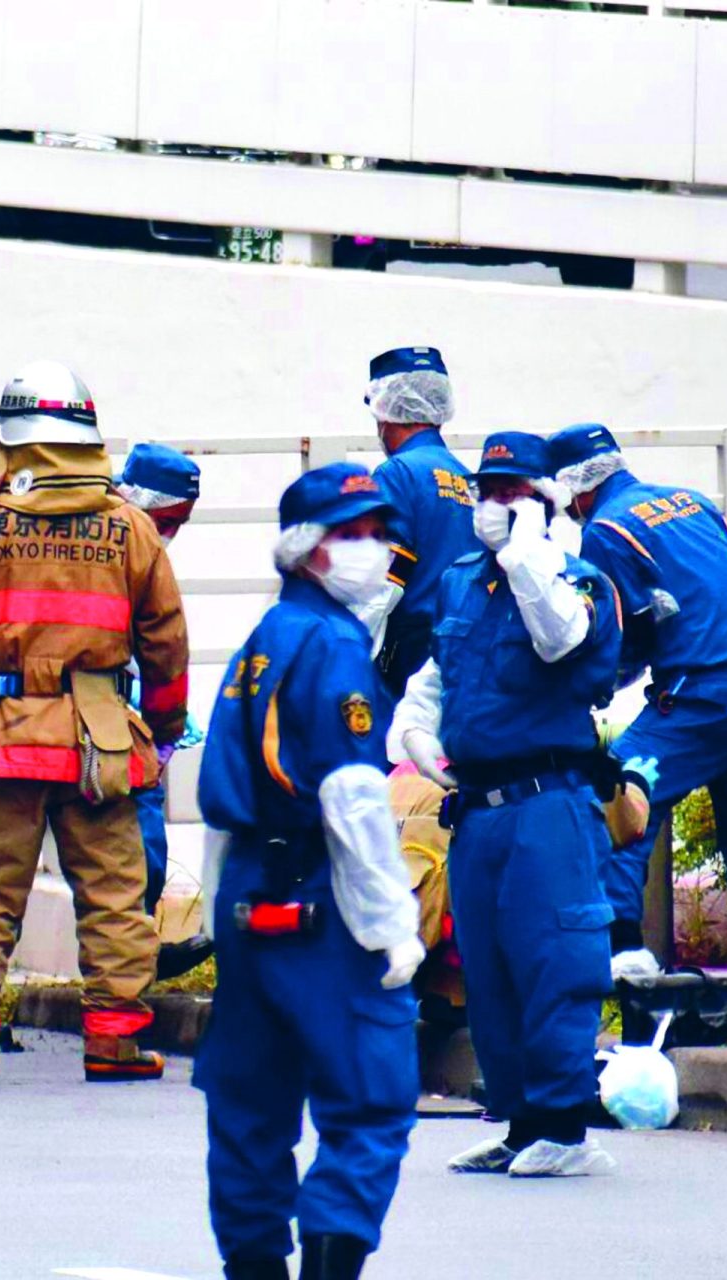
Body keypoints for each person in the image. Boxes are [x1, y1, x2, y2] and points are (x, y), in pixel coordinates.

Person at [0, 362, 189, 1085]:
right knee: (116, 897)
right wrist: (160, 724)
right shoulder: (131, 529)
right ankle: (116, 1041)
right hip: (102, 741)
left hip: (0, 737)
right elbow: (166, 641)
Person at [194, 461, 425, 1280]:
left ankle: (253, 1266)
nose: (369, 551)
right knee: (371, 1101)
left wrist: (208, 913)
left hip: (249, 891)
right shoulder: (331, 645)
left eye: (375, 534)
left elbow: (218, 790)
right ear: (306, 549)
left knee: (250, 1105)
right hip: (318, 894)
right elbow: (354, 796)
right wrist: (391, 923)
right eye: (349, 535)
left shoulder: (265, 638)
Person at [390, 432, 623, 1178]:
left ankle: (563, 1126)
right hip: (479, 809)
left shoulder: (580, 580)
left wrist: (529, 552)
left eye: (513, 492)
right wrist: (417, 724)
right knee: (487, 972)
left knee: (554, 960)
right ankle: (522, 1122)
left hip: (546, 803)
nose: (495, 505)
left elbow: (561, 641)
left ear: (546, 500)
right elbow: (439, 669)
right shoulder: (463, 580)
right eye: (487, 491)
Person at [548, 423, 727, 995]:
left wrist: (593, 687)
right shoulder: (692, 501)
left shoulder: (606, 529)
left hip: (707, 695)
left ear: (573, 487)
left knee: (619, 794)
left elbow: (626, 633)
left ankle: (624, 952)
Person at [115, 442, 206, 914]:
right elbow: (162, 647)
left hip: (105, 718)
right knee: (138, 850)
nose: (170, 535)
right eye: (167, 522)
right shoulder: (131, 554)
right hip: (106, 726)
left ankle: (134, 947)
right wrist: (166, 727)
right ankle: (130, 953)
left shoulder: (132, 550)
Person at [364, 347, 476, 697]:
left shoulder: (396, 476)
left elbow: (380, 589)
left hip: (412, 668)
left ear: (384, 409)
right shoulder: (468, 479)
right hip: (469, 665)